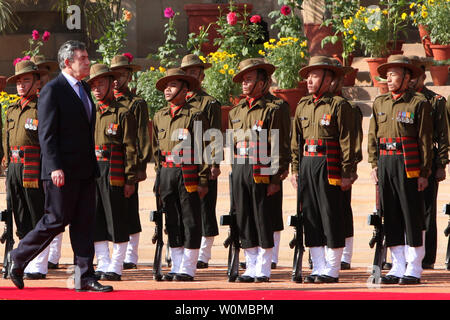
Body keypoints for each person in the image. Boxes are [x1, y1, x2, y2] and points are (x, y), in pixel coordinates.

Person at [7, 40, 113, 292]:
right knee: (55, 220)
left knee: (84, 223)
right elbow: (47, 133)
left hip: (85, 170)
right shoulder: (53, 90)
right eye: (83, 58)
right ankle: (18, 256)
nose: (88, 62)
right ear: (68, 62)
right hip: (61, 171)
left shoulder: (84, 89)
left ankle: (84, 277)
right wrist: (54, 166)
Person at [368, 55, 433, 285]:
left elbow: (424, 139)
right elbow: (372, 136)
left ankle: (414, 266)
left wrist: (424, 172)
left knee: (411, 214)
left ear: (407, 77)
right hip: (386, 162)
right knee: (391, 215)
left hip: (408, 164)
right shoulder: (380, 102)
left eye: (394, 74)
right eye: (387, 74)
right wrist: (374, 164)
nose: (389, 77)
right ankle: (397, 265)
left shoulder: (418, 103)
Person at [291, 56, 354, 284]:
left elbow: (348, 140)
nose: (309, 80)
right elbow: (296, 142)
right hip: (308, 163)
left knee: (331, 215)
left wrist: (348, 172)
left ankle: (332, 267)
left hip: (330, 165)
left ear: (329, 80)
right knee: (311, 217)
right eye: (308, 75)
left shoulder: (339, 105)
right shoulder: (302, 105)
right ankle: (317, 265)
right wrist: (295, 169)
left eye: (315, 75)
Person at [229, 58, 290, 283]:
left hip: (263, 168)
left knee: (263, 217)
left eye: (249, 80)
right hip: (240, 167)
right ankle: (251, 264)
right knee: (244, 217)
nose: (244, 84)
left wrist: (276, 176)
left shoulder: (276, 107)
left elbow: (280, 144)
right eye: (243, 80)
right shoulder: (236, 111)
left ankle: (263, 266)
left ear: (263, 82)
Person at [152, 68, 210, 281]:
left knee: (190, 218)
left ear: (185, 89)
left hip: (187, 171)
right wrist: (158, 178)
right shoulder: (160, 116)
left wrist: (203, 178)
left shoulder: (195, 115)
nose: (168, 89)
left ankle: (188, 266)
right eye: (166, 86)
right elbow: (156, 150)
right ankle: (176, 264)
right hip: (167, 171)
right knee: (172, 219)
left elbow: (204, 148)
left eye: (173, 85)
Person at [87, 63, 138, 281]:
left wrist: (130, 178)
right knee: (95, 218)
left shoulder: (123, 113)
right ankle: (103, 261)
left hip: (114, 170)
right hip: (92, 171)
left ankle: (116, 265)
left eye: (101, 83)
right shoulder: (89, 112)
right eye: (94, 85)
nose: (97, 88)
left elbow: (131, 148)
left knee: (116, 217)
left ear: (111, 83)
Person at [3, 60, 50, 280]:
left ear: (37, 82)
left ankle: (39, 263)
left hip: (34, 167)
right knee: (19, 213)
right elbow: (7, 139)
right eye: (18, 81)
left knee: (37, 213)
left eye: (26, 80)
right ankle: (24, 258)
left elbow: (49, 141)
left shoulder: (42, 107)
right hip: (13, 166)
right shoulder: (12, 110)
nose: (21, 85)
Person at [110, 54, 151, 270]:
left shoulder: (136, 104)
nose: (116, 79)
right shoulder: (106, 102)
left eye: (121, 75)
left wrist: (140, 165)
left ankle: (131, 255)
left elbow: (143, 135)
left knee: (130, 208)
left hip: (129, 161)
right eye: (113, 75)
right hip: (109, 164)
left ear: (129, 76)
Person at [180, 54, 221, 269]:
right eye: (187, 72)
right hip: (182, 161)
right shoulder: (178, 101)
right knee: (184, 207)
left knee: (205, 206)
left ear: (202, 75)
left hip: (203, 160)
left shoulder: (209, 102)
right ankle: (184, 248)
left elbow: (214, 134)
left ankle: (204, 252)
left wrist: (214, 165)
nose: (191, 75)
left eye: (195, 72)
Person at [408, 55, 448, 270]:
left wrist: (441, 164)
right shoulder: (401, 100)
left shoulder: (436, 101)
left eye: (416, 75)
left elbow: (442, 135)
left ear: (423, 76)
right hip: (404, 160)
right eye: (409, 75)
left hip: (428, 161)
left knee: (427, 211)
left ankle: (427, 257)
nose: (412, 80)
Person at [30, 55, 65, 270]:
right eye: (37, 74)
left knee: (54, 210)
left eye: (43, 73)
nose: (41, 78)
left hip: (51, 162)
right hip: (31, 165)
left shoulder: (56, 96)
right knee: (37, 210)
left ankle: (53, 255)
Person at [329, 58, 363, 270]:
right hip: (319, 166)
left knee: (342, 209)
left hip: (339, 167)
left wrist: (349, 170)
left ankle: (345, 254)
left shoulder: (348, 107)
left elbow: (352, 141)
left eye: (336, 78)